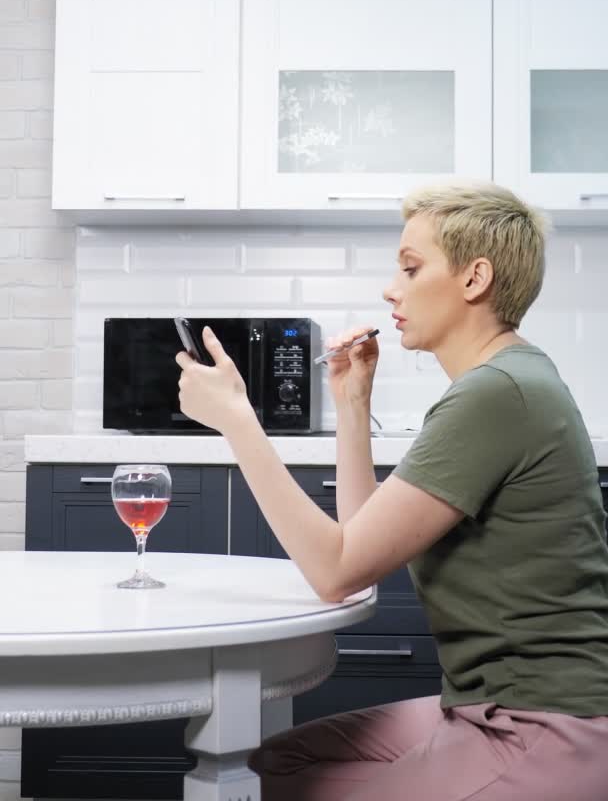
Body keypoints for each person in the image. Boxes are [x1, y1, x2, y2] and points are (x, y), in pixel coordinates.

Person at [175, 181, 608, 801]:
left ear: (474, 278)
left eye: (410, 267)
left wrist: (238, 423)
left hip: (540, 721)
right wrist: (354, 406)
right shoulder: (509, 378)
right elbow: (361, 548)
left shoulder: (494, 395)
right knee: (284, 763)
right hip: (484, 705)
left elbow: (335, 571)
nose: (390, 288)